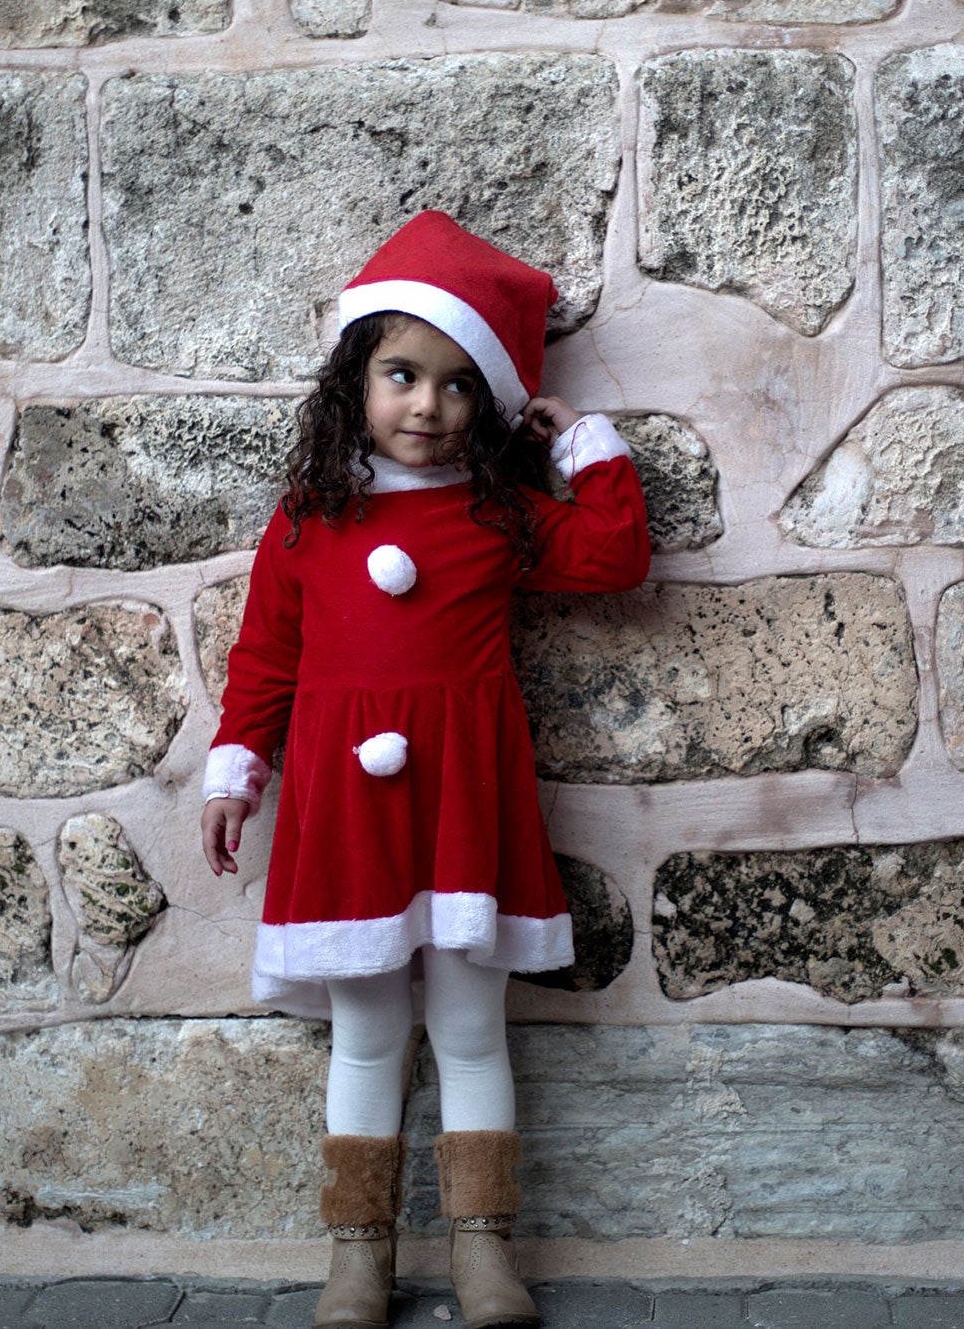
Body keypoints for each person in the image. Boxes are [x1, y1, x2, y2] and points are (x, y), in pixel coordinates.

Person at [197, 210, 652, 1329]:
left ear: (486, 402)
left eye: (457, 385)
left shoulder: (494, 516)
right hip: (346, 815)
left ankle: (482, 1253)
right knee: (363, 1034)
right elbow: (264, 655)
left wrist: (579, 445)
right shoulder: (309, 520)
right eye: (401, 373)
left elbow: (612, 554)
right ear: (356, 376)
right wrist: (232, 776)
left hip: (462, 811)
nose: (427, 406)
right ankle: (357, 1259)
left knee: (467, 1028)